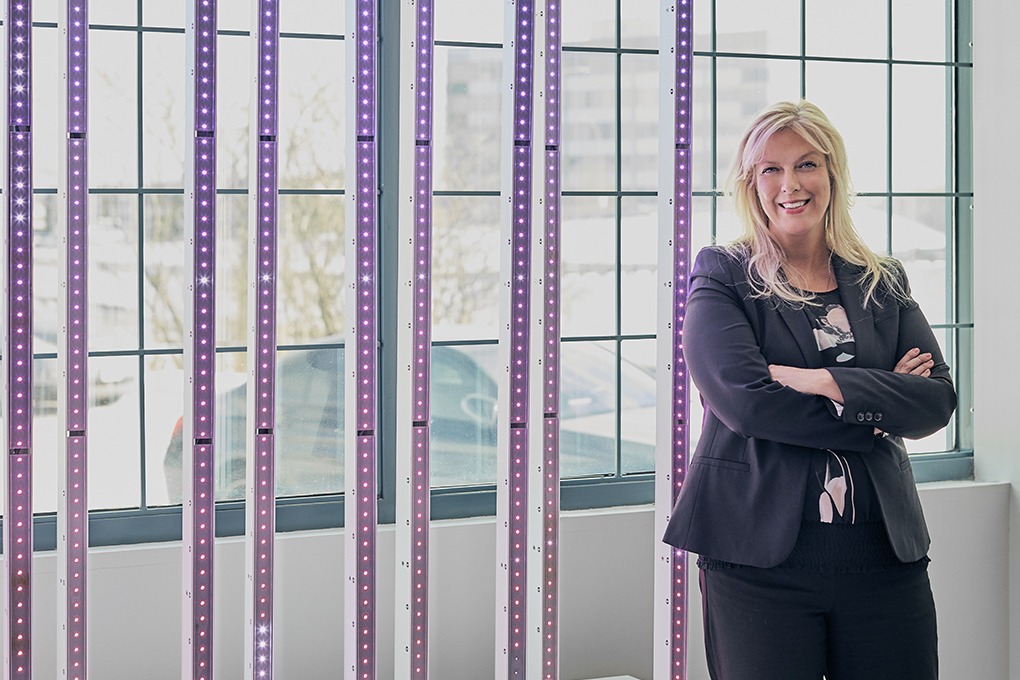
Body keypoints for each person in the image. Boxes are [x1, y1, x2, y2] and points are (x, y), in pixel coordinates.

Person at [661, 100, 956, 680]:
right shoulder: (723, 274)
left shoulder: (881, 279)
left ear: (832, 174)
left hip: (883, 557)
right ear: (750, 183)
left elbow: (935, 402)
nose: (790, 184)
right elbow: (745, 402)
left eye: (807, 164)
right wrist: (876, 405)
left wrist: (824, 380)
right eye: (771, 168)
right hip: (757, 562)